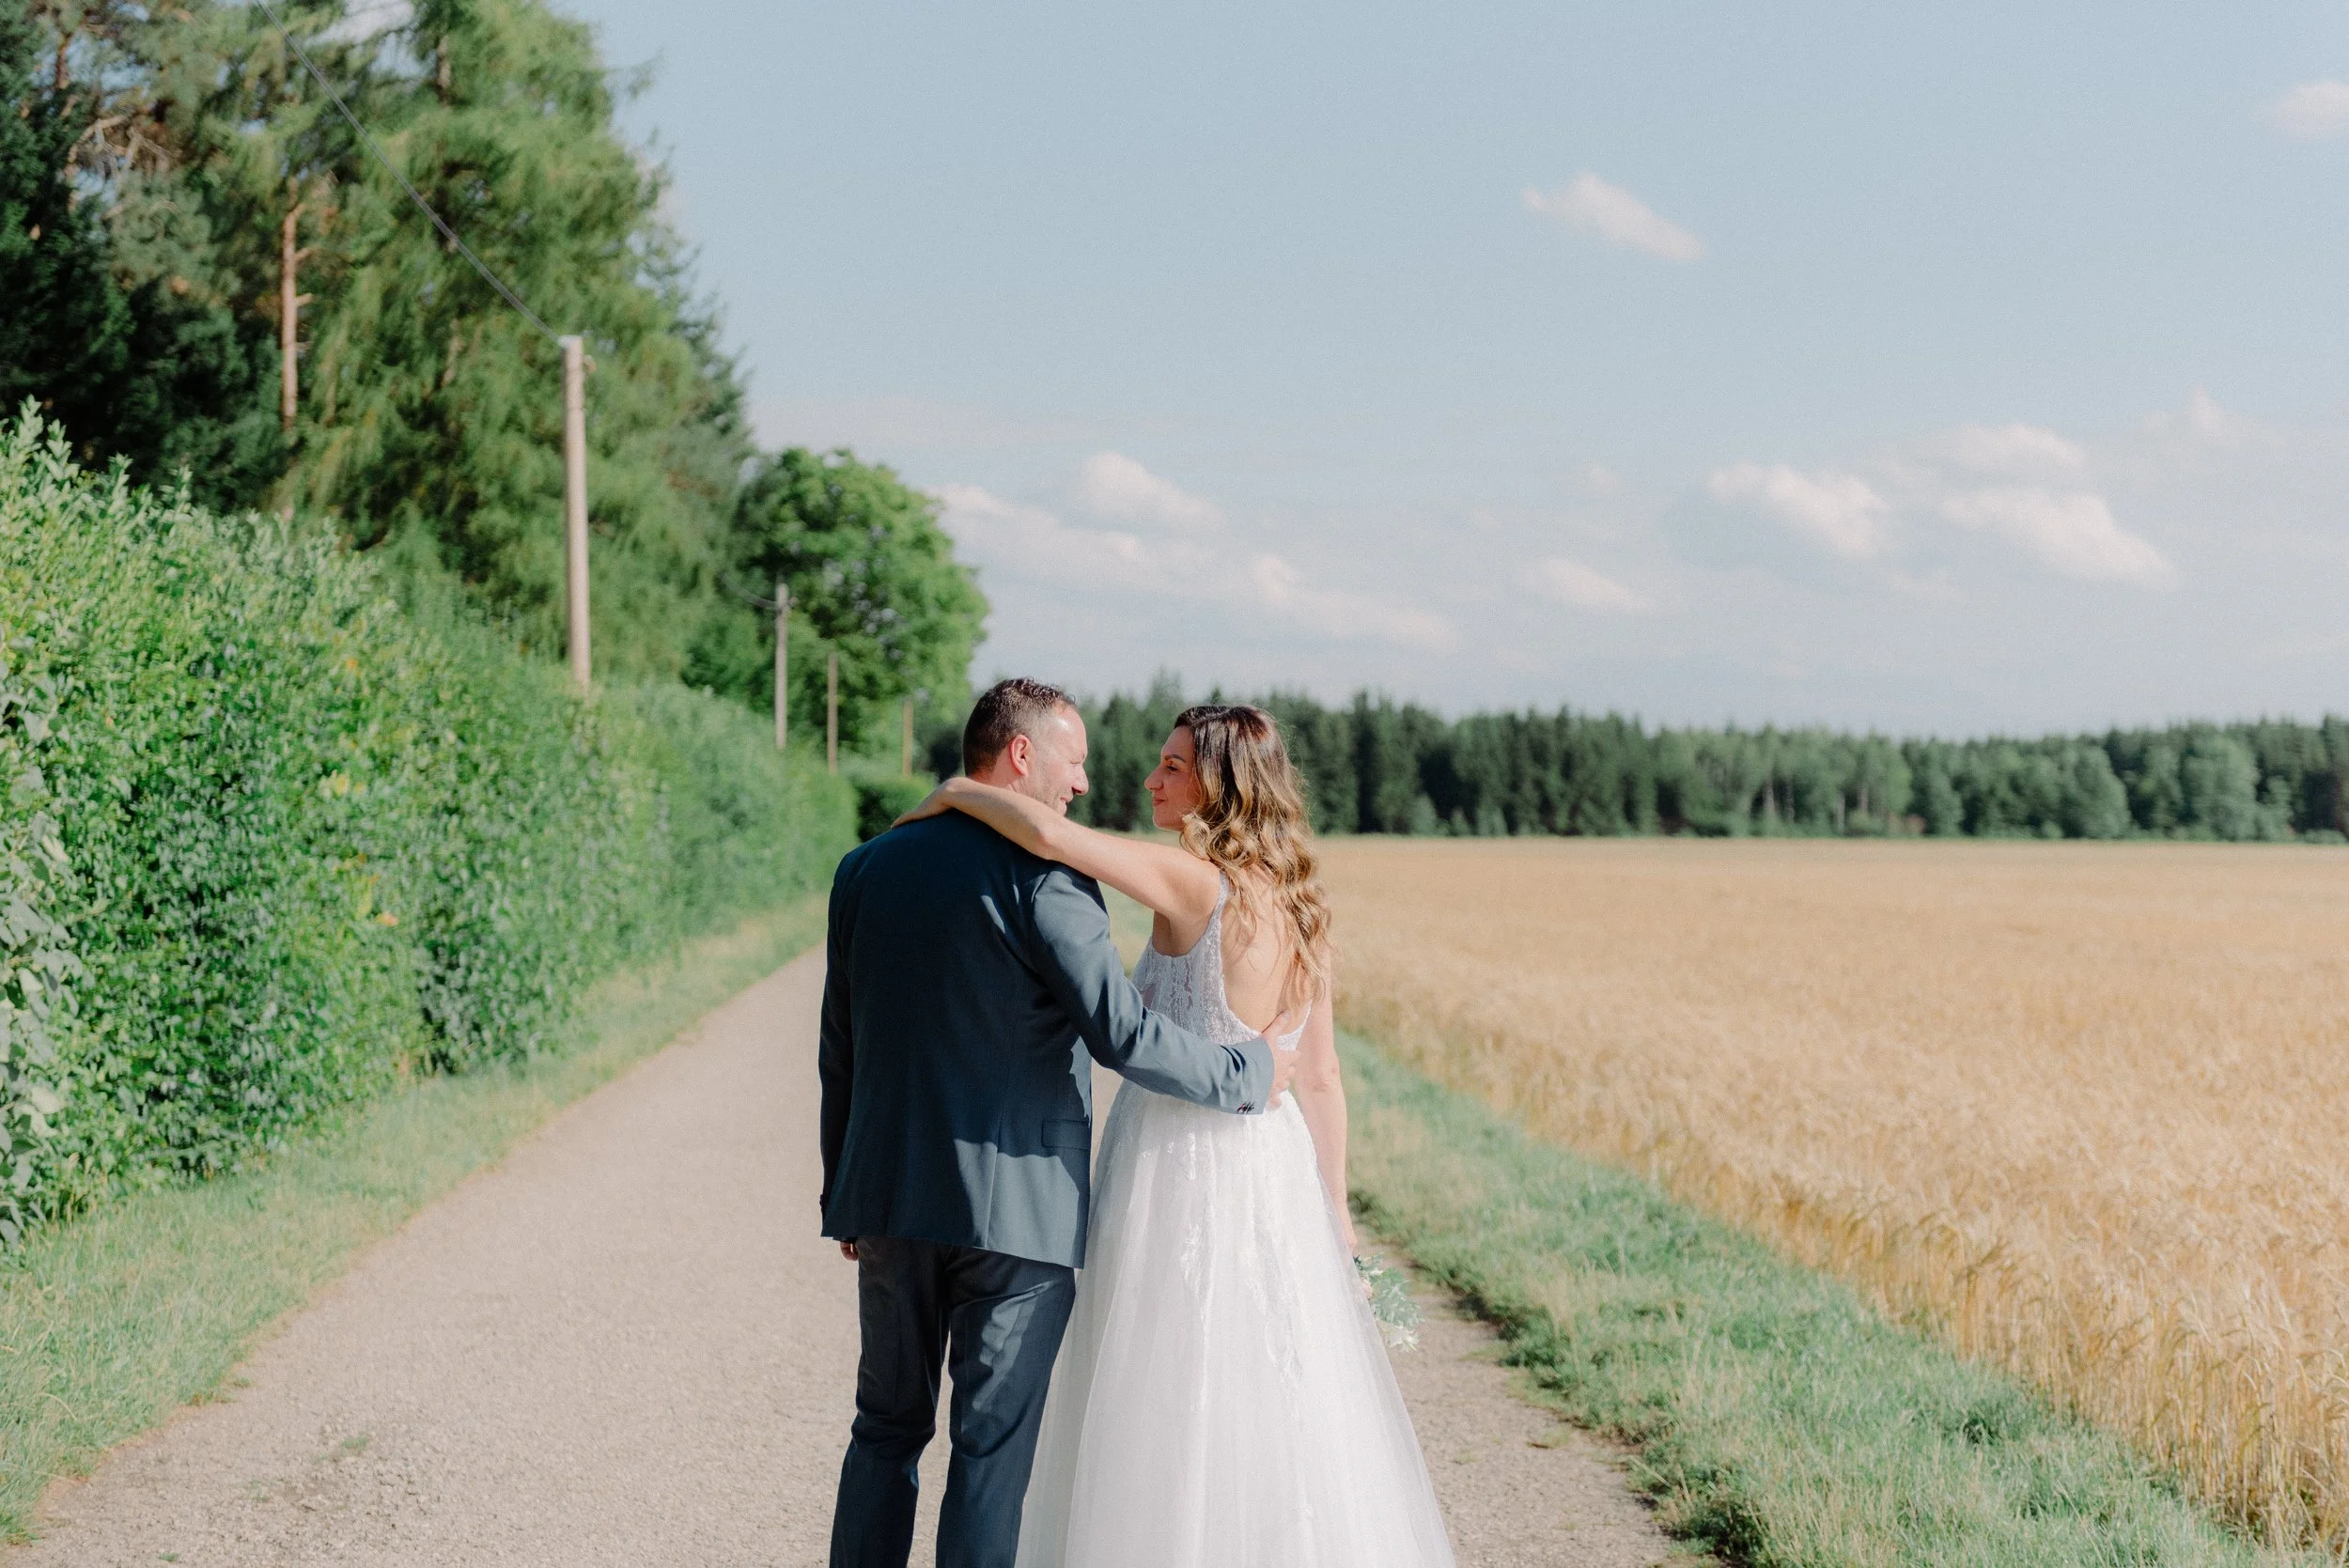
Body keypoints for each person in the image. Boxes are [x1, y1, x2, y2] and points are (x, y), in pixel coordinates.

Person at [896, 704, 1456, 1568]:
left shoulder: (1197, 883)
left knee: (1163, 1381)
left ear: (1219, 784)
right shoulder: (1303, 905)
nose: (1151, 779)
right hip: (1273, 1165)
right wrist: (1338, 1214)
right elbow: (1319, 1076)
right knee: (1268, 1379)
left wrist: (953, 792)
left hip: (1176, 1162)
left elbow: (1049, 836)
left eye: (1173, 766)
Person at [818, 678, 1299, 1568]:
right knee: (989, 1454)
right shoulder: (1048, 876)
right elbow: (1123, 1034)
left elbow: (838, 1047)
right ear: (1022, 754)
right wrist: (1247, 1069)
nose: (1082, 783)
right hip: (1020, 1215)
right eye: (1073, 762)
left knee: (882, 1429)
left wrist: (840, 1186)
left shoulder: (864, 869)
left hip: (886, 1197)